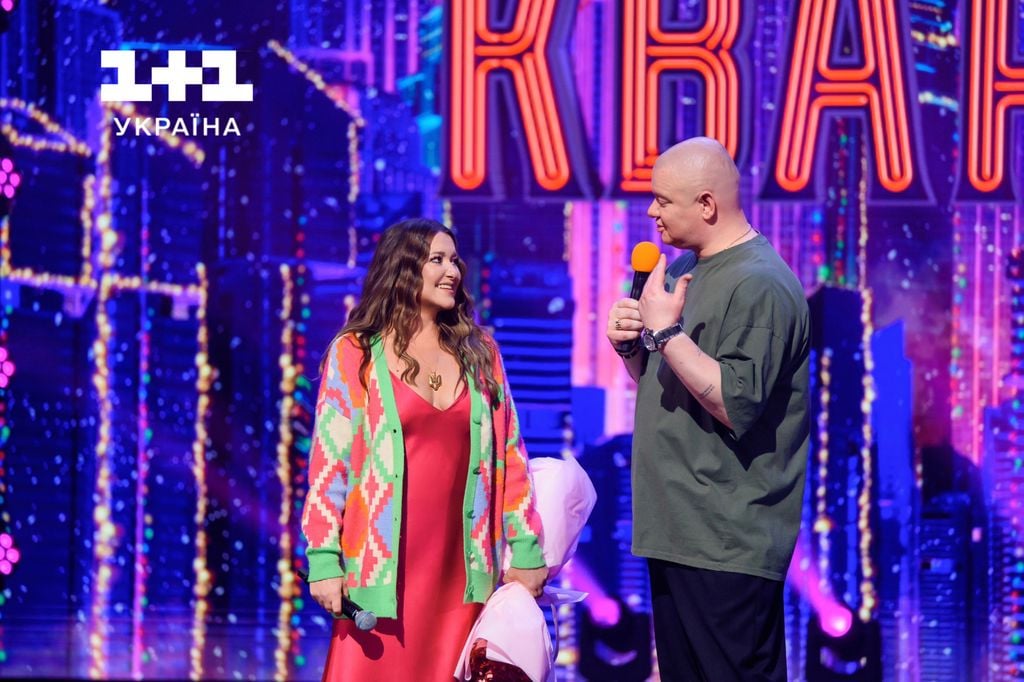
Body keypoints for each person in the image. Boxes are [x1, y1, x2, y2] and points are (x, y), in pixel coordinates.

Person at [301, 218, 548, 680]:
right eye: (437, 259)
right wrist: (323, 559)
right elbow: (329, 467)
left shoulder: (481, 353)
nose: (452, 270)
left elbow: (511, 459)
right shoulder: (355, 353)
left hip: (462, 575)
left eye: (454, 260)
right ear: (403, 267)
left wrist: (528, 551)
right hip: (378, 576)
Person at [606, 137, 810, 681]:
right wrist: (633, 347)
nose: (651, 212)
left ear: (706, 204)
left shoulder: (760, 283)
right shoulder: (684, 269)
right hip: (677, 529)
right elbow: (667, 382)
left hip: (725, 537)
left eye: (662, 200)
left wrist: (666, 332)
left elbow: (732, 401)